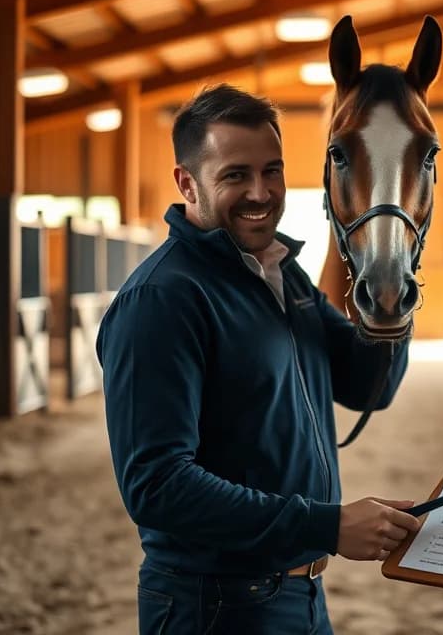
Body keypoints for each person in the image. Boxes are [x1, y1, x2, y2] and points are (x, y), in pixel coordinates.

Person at [96, 83, 419, 634]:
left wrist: (391, 275)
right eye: (235, 175)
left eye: (273, 171)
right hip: (215, 606)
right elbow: (157, 484)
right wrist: (329, 525)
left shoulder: (281, 273)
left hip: (301, 594)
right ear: (187, 183)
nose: (261, 192)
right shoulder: (163, 299)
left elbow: (368, 387)